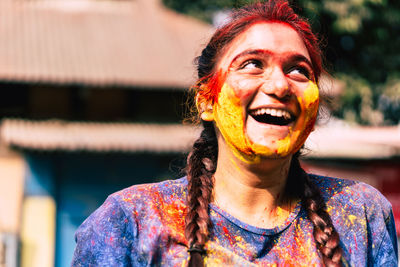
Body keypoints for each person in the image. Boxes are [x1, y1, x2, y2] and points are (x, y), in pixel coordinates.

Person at [71, 1, 398, 266]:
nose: (280, 86)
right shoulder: (133, 221)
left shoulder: (359, 213)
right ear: (207, 101)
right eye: (253, 64)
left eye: (299, 70)